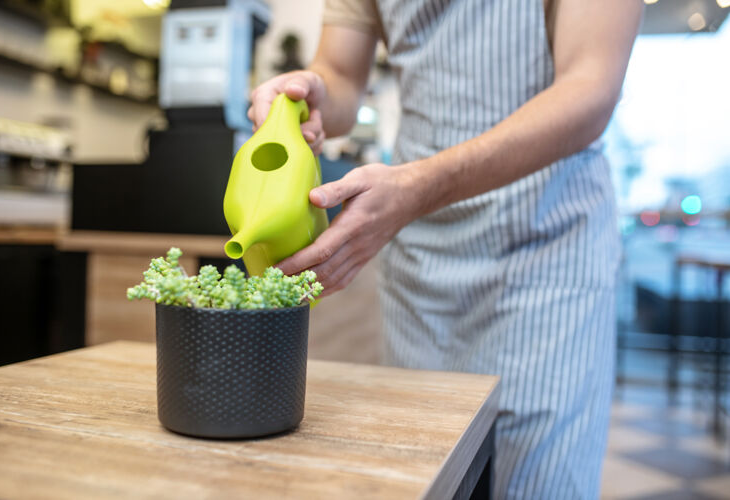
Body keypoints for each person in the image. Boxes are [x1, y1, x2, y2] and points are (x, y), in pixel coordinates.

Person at [248, 1, 642, 498]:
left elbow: (589, 88)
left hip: (545, 245)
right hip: (419, 257)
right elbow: (343, 74)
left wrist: (419, 186)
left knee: (534, 484)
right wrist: (314, 92)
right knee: (428, 477)